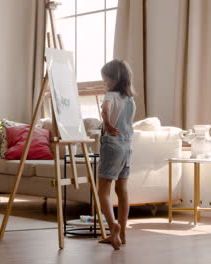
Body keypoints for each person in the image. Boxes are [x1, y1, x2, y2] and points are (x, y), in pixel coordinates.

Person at [97, 59, 136, 250]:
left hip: (112, 145)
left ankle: (113, 227)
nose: (105, 83)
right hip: (127, 146)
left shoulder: (111, 95)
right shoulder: (130, 99)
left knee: (103, 191)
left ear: (114, 79)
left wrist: (107, 123)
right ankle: (122, 235)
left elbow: (105, 109)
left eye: (106, 80)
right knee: (123, 190)